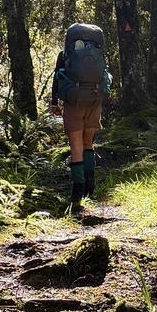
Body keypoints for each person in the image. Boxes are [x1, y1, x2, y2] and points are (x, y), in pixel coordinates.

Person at [50, 23, 111, 214]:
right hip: (94, 100)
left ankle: (78, 191)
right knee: (88, 143)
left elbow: (57, 78)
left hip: (73, 102)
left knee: (75, 144)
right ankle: (90, 185)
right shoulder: (98, 54)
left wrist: (54, 103)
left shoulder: (65, 55)